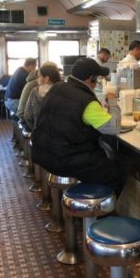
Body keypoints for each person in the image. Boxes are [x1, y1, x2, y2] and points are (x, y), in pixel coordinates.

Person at [31, 58, 125, 194]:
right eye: (97, 79)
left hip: (43, 152)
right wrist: (112, 101)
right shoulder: (87, 102)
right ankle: (100, 211)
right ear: (91, 79)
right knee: (118, 171)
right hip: (64, 158)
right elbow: (114, 128)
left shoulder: (57, 87)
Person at [22, 62, 61, 130]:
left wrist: (35, 128)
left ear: (46, 78)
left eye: (39, 76)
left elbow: (28, 115)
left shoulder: (35, 91)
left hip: (39, 132)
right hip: (59, 133)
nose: (37, 79)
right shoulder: (64, 90)